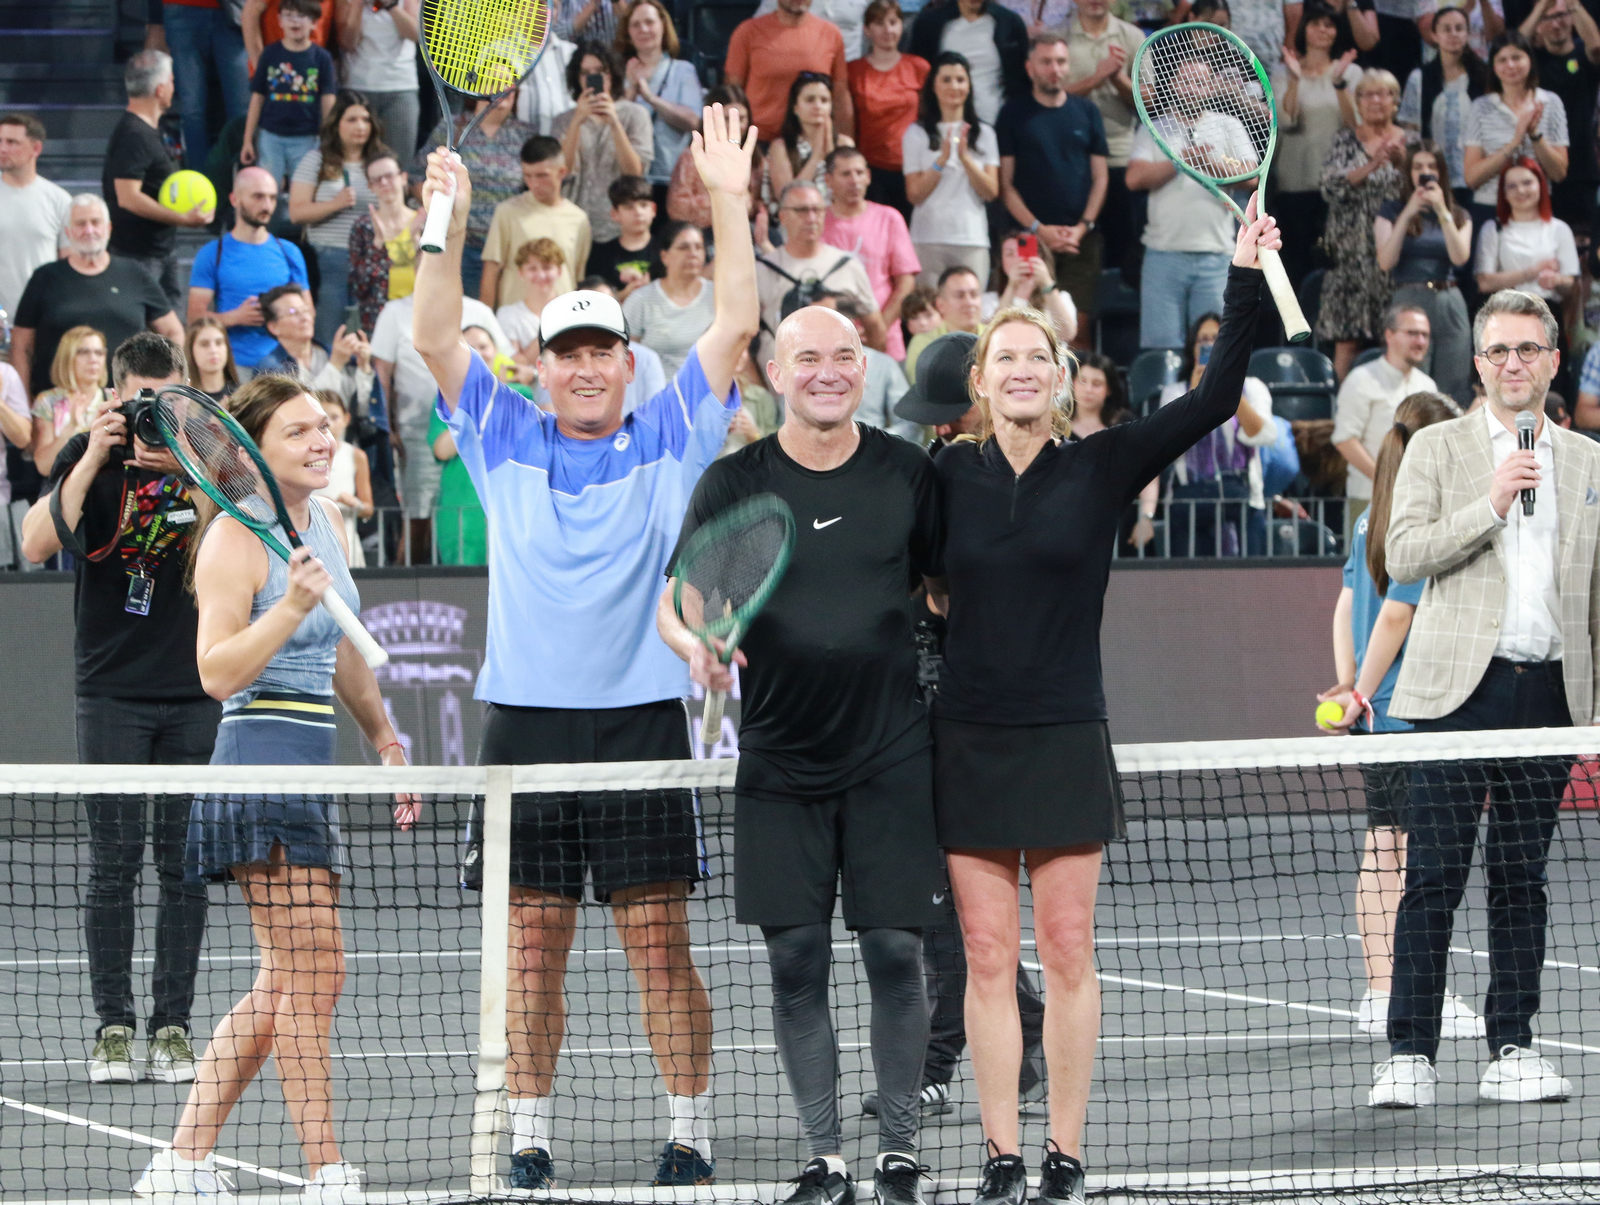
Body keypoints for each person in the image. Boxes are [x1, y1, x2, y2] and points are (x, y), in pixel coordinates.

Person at [412, 102, 759, 1188]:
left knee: (659, 948)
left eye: (602, 348)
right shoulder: (500, 428)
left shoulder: (671, 430)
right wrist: (443, 225)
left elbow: (737, 324)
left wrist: (733, 200)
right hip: (522, 730)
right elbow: (431, 335)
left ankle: (690, 1126)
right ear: (543, 365)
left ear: (625, 358)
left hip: (641, 722)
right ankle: (527, 1131)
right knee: (532, 954)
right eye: (566, 352)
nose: (586, 365)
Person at [927, 197, 1280, 1205]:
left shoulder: (1104, 461)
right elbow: (901, 572)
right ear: (981, 382)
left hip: (1064, 732)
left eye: (1038, 355)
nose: (1025, 369)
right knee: (987, 955)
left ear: (1060, 372)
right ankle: (1000, 1153)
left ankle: (1063, 1154)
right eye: (1006, 359)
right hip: (969, 738)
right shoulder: (944, 475)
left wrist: (1242, 273)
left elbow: (1214, 401)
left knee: (1069, 948)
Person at [657, 307, 944, 1205]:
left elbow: (945, 589)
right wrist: (694, 645)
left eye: (845, 357)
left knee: (897, 950)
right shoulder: (734, 480)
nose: (828, 371)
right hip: (779, 761)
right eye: (808, 357)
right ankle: (826, 1158)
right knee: (795, 961)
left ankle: (897, 1150)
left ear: (867, 370)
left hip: (894, 752)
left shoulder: (908, 473)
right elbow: (678, 599)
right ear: (775, 373)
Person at [133, 373, 417, 1201]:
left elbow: (343, 654)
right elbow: (217, 671)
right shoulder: (232, 539)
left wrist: (388, 740)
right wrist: (289, 605)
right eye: (300, 431)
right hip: (256, 765)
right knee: (315, 970)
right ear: (254, 448)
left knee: (289, 977)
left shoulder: (325, 523)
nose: (323, 440)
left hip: (312, 769)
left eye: (325, 426)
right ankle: (325, 1167)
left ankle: (180, 1160)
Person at [1371, 287, 1600, 1110]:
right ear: (1479, 363)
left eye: (1528, 350)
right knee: (1432, 876)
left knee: (1521, 879)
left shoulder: (1589, 462)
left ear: (1551, 361)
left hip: (1550, 693)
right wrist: (1493, 500)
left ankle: (1513, 1044)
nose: (1513, 364)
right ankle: (1410, 1053)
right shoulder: (1437, 446)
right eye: (1499, 351)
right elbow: (1404, 552)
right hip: (1453, 698)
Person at [18, 333, 219, 1088]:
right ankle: (112, 1026)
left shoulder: (208, 454)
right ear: (115, 392)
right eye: (141, 403)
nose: (152, 417)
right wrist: (95, 454)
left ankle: (172, 1026)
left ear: (188, 394)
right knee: (112, 866)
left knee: (185, 868)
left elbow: (247, 533)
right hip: (110, 691)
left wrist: (190, 465)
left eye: (168, 403)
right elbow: (38, 542)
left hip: (193, 687)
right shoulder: (88, 452)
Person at [1319, 390, 1484, 1041]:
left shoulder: (1371, 519)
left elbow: (1345, 603)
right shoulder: (1421, 522)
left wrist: (1349, 684)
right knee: (1416, 858)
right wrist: (1362, 688)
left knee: (1384, 847)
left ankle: (1382, 988)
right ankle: (1413, 994)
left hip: (1378, 711)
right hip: (1411, 711)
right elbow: (1394, 612)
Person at [1127, 62, 1256, 351]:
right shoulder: (1154, 128)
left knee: (1214, 350)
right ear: (1172, 85)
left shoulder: (1228, 125)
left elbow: (1253, 174)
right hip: (1163, 254)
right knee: (1162, 350)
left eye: (1199, 82)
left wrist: (1212, 164)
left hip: (1216, 255)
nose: (1192, 89)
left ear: (1211, 87)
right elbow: (1134, 178)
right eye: (1185, 82)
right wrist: (1180, 162)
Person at [12, 195, 183, 402]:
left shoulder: (135, 274)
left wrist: (167, 387)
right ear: (68, 232)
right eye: (81, 224)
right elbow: (21, 347)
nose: (89, 230)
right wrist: (23, 402)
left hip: (127, 403)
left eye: (95, 222)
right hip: (58, 409)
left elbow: (173, 331)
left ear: (108, 228)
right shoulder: (45, 278)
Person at [999, 35, 1109, 343]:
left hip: (1081, 239)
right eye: (1046, 62)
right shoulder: (1013, 113)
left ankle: (1077, 392)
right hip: (1030, 238)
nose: (1054, 69)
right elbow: (1005, 185)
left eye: (1060, 61)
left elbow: (1100, 177)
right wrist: (1039, 229)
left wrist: (1082, 227)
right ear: (1029, 67)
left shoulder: (1087, 112)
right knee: (1023, 323)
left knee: (1077, 329)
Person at [1159, 309, 1281, 556]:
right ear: (1192, 349)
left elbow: (1264, 436)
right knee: (1189, 581)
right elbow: (1170, 443)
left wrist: (1230, 386)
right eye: (1203, 340)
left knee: (1249, 575)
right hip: (1189, 493)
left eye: (1217, 338)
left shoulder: (1253, 388)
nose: (1210, 345)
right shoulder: (1173, 392)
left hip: (1240, 490)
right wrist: (1195, 393)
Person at [1318, 69, 1412, 379]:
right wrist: (1372, 165)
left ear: (1395, 101)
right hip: (1349, 258)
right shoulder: (1345, 140)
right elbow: (1329, 187)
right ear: (1357, 101)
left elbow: (1423, 192)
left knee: (1398, 341)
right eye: (1367, 94)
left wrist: (1401, 165)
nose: (1375, 100)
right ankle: (1340, 416)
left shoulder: (1411, 141)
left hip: (1395, 260)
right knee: (1347, 342)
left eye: (1383, 93)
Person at [104, 50, 212, 313]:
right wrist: (183, 218)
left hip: (157, 251)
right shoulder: (135, 135)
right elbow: (128, 196)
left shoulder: (147, 131)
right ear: (160, 89)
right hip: (137, 256)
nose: (175, 87)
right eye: (173, 81)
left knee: (168, 337)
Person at [288, 90, 391, 346]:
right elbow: (296, 212)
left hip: (374, 258)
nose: (360, 126)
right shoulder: (317, 160)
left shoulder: (381, 163)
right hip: (330, 258)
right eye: (352, 119)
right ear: (337, 124)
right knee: (330, 333)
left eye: (366, 120)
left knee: (373, 337)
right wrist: (335, 204)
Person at [1373, 143, 1474, 405]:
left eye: (1432, 167)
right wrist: (1408, 213)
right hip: (1409, 298)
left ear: (1441, 173)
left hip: (1449, 299)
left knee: (1454, 382)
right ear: (1409, 172)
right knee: (1410, 380)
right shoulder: (1391, 211)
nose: (1425, 172)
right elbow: (1385, 260)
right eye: (1418, 167)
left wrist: (1441, 210)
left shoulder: (1459, 214)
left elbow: (1460, 257)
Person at [411, 92, 539, 298]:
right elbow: (416, 177)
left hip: (507, 250)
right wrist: (442, 212)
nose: (502, 92)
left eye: (509, 87)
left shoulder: (526, 133)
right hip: (461, 246)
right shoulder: (452, 126)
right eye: (494, 83)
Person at [186, 166, 311, 373]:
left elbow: (308, 311)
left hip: (284, 364)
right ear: (235, 199)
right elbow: (194, 319)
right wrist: (235, 317)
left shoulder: (289, 252)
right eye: (258, 197)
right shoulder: (212, 253)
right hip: (234, 365)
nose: (267, 205)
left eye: (272, 198)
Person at [1274, 5, 1361, 286]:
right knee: (1295, 267)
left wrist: (1339, 84)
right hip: (1294, 183)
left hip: (1338, 182)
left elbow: (1356, 126)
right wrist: (1296, 79)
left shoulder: (1352, 72)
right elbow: (1287, 121)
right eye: (1316, 24)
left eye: (1329, 25)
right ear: (1304, 29)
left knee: (1335, 268)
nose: (1323, 30)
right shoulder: (1283, 72)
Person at [1333, 303, 1439, 521]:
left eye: (1424, 335)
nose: (1420, 341)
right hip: (1369, 499)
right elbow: (1345, 439)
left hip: (1418, 503)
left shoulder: (1428, 386)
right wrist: (1387, 482)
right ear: (1389, 335)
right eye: (1412, 333)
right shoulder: (1361, 380)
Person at [903, 53, 999, 289]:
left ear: (969, 85)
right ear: (933, 86)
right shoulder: (916, 133)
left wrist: (965, 158)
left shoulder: (985, 134)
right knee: (928, 316)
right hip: (927, 237)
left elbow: (990, 191)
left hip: (971, 238)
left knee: (970, 315)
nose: (954, 86)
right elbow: (914, 194)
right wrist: (941, 161)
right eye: (946, 79)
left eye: (960, 79)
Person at [756, 181, 884, 355]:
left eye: (817, 210)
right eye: (801, 210)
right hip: (779, 374)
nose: (811, 218)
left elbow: (875, 326)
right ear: (782, 216)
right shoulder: (763, 269)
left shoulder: (847, 265)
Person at [1063, 0, 1144, 273]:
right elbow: (1046, 97)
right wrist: (1097, 78)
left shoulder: (1132, 36)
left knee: (1121, 252)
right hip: (1069, 158)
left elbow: (1150, 102)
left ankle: (1117, 315)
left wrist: (1117, 78)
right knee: (1075, 253)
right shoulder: (1058, 36)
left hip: (1119, 154)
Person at [823, 148, 920, 359]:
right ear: (828, 180)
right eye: (846, 174)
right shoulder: (818, 222)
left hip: (886, 341)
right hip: (830, 342)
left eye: (859, 173)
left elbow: (906, 282)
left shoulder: (889, 218)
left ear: (868, 176)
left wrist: (879, 328)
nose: (854, 180)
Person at [552, 42, 653, 244]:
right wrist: (576, 122)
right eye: (585, 73)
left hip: (617, 228)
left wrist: (614, 123)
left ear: (612, 74)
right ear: (577, 78)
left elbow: (635, 173)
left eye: (600, 71)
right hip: (571, 226)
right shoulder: (564, 120)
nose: (592, 78)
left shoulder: (635, 115)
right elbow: (561, 172)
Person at [1462, 31, 1569, 222]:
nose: (1510, 65)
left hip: (1537, 206)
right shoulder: (1480, 107)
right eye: (1502, 60)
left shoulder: (1550, 102)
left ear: (1530, 60)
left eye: (1516, 57)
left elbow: (1559, 172)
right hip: (1490, 207)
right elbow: (1472, 178)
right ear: (1493, 67)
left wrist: (1534, 135)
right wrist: (1514, 143)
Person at [479, 135, 591, 310]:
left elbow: (575, 276)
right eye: (527, 176)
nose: (533, 184)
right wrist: (485, 321)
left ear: (562, 172)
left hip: (561, 319)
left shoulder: (579, 219)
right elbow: (491, 270)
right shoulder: (507, 211)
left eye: (541, 176)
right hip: (514, 319)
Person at [240, 0, 340, 196]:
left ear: (314, 22)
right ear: (279, 20)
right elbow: (257, 97)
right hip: (271, 136)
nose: (295, 22)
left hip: (307, 137)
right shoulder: (269, 54)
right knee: (267, 189)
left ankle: (302, 227)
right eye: (289, 15)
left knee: (305, 191)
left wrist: (329, 138)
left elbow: (328, 100)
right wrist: (247, 139)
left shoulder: (322, 58)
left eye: (302, 16)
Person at [1517, 0, 1600, 231]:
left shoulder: (1583, 57)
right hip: (1541, 166)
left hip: (1582, 167)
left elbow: (1596, 48)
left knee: (1584, 246)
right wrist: (1540, 8)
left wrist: (1574, 5)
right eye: (1549, 18)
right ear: (1540, 26)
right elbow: (1516, 46)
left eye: (1562, 16)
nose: (1556, 24)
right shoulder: (1532, 62)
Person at [1398, 5, 1488, 210]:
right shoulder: (1419, 78)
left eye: (1459, 28)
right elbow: (1410, 130)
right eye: (1446, 29)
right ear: (1435, 35)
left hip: (1477, 177)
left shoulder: (1484, 75)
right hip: (1433, 176)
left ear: (1468, 33)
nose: (1453, 34)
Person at [724, 0, 854, 139]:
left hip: (812, 141)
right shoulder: (748, 32)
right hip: (759, 139)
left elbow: (840, 94)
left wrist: (846, 143)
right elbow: (733, 92)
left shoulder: (831, 34)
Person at [848, 0, 929, 217]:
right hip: (870, 171)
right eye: (879, 23)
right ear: (866, 30)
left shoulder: (919, 67)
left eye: (893, 22)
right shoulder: (853, 71)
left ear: (902, 26)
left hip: (913, 170)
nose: (887, 30)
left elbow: (929, 118)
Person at [616, 0, 703, 202]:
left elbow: (693, 121)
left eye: (649, 22)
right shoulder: (618, 73)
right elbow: (610, 124)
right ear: (627, 32)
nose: (643, 29)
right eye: (635, 24)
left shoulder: (682, 70)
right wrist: (630, 90)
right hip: (630, 180)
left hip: (671, 179)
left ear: (663, 26)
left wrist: (650, 98)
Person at [1475, 157, 1577, 311]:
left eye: (1527, 183)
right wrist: (1533, 272)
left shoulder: (1560, 229)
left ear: (1541, 185)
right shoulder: (1493, 228)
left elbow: (1570, 284)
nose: (1520, 191)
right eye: (1512, 186)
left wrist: (1556, 281)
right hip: (1506, 310)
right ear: (1504, 194)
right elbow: (1485, 283)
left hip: (1547, 310)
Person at [161, 0, 250, 171]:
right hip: (182, 8)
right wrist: (154, 23)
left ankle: (243, 182)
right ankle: (199, 185)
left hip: (232, 11)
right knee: (192, 108)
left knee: (241, 108)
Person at [909, 0, 1030, 125]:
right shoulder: (928, 24)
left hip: (997, 121)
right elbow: (917, 75)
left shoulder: (1009, 23)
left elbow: (1022, 79)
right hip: (942, 121)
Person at [427, 329, 490, 565]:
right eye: (470, 348)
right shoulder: (445, 400)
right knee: (465, 592)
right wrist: (471, 402)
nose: (479, 353)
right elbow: (442, 449)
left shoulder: (521, 394)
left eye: (484, 346)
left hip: (510, 510)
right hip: (461, 512)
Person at [622, 220, 717, 377]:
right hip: (657, 392)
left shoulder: (717, 296)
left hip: (708, 390)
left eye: (698, 247)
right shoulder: (641, 300)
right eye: (684, 247)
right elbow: (625, 356)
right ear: (665, 256)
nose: (693, 253)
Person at [0, 113, 71, 319]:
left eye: (12, 142)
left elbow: (68, 266)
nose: (3, 148)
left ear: (36, 148)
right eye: (0, 141)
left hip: (43, 316)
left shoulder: (59, 200)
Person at [666, 85, 768, 228]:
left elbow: (760, 205)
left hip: (743, 230)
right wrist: (727, 203)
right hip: (701, 234)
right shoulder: (692, 156)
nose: (736, 125)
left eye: (742, 118)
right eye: (727, 118)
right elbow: (678, 208)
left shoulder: (756, 159)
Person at [334, 0, 421, 165]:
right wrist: (357, 6)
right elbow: (347, 42)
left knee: (398, 163)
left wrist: (390, 5)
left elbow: (416, 34)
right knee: (353, 162)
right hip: (357, 88)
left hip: (400, 87)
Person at [347, 151, 422, 335]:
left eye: (389, 176)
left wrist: (417, 242)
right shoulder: (363, 227)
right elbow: (358, 288)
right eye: (376, 179)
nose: (384, 183)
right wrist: (377, 246)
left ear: (403, 178)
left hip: (421, 314)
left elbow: (437, 278)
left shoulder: (422, 221)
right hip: (378, 319)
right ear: (370, 187)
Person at [29, 326, 109, 476]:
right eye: (83, 352)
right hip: (60, 486)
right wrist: (70, 427)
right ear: (67, 356)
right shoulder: (48, 401)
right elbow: (44, 467)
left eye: (99, 353)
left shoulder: (113, 398)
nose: (93, 359)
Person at [769, 73, 858, 197]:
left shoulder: (845, 143)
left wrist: (832, 158)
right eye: (810, 100)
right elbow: (786, 196)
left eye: (824, 100)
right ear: (795, 107)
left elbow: (851, 191)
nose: (818, 106)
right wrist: (817, 157)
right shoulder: (780, 147)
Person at [312, 390, 372, 566]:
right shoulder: (306, 454)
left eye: (335, 417)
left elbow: (368, 508)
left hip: (346, 539)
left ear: (346, 419)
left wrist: (354, 503)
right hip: (313, 539)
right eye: (323, 418)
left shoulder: (356, 456)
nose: (329, 423)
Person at [983, 233, 1078, 345]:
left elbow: (1067, 334)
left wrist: (1046, 283)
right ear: (1001, 261)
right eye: (1010, 254)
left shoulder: (1061, 297)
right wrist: (1012, 287)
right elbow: (992, 335)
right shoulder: (988, 300)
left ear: (1040, 257)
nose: (1019, 258)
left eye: (1023, 251)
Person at [587, 174, 662, 299]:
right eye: (629, 207)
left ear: (653, 209)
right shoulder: (600, 255)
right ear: (615, 213)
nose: (638, 212)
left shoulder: (667, 251)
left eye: (643, 205)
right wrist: (623, 295)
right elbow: (594, 300)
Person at [186, 315, 240, 401]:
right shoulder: (183, 398)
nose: (213, 350)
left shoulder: (242, 396)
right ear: (191, 350)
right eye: (204, 344)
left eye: (219, 343)